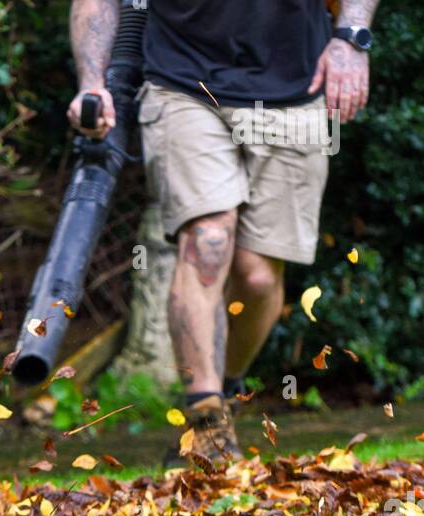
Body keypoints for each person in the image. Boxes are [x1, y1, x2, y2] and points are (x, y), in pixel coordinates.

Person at [68, 0, 379, 465]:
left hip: (296, 87)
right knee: (208, 241)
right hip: (184, 87)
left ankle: (226, 390)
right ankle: (206, 416)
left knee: (256, 277)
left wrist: (351, 38)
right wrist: (92, 84)